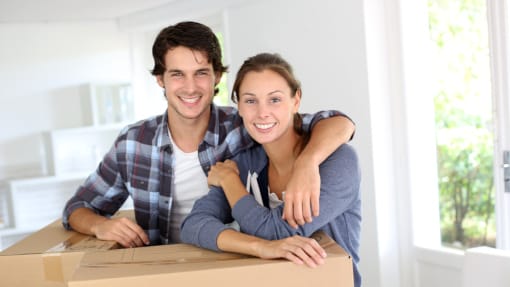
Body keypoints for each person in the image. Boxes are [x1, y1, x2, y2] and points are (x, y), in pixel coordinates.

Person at [62, 21, 355, 249]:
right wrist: (101, 226)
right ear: (160, 79)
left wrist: (307, 163)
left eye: (201, 72)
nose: (190, 87)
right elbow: (78, 208)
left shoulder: (245, 126)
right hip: (159, 269)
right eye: (177, 74)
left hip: (226, 265)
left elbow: (337, 123)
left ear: (217, 76)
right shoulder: (133, 143)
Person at [180, 53, 361, 286]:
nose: (262, 112)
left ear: (296, 101)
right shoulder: (245, 163)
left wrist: (230, 183)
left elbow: (279, 232)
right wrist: (261, 247)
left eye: (274, 100)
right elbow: (193, 224)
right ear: (240, 107)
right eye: (250, 101)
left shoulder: (338, 161)